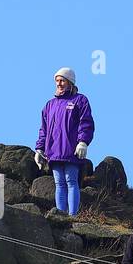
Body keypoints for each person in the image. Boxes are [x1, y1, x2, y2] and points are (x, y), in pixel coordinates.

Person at [35, 66, 94, 215]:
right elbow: (44, 129)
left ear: (70, 82)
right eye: (57, 80)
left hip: (71, 149)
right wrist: (39, 149)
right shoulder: (49, 105)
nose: (59, 83)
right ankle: (61, 215)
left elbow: (86, 123)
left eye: (62, 80)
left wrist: (83, 142)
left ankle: (73, 215)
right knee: (59, 183)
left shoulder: (80, 100)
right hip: (53, 151)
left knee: (71, 181)